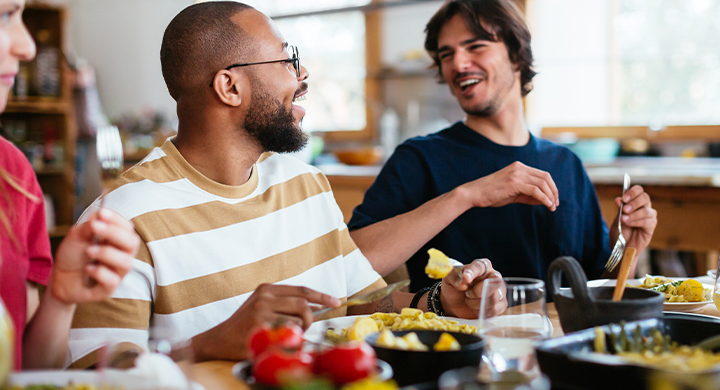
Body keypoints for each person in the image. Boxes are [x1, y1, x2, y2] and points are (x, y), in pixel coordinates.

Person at [67, 1, 506, 369]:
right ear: (229, 86)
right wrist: (205, 345)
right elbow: (91, 374)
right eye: (287, 59)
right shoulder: (123, 218)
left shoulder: (305, 182)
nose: (303, 74)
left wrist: (439, 303)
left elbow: (356, 306)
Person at [348, 0, 658, 292]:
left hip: (557, 343)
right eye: (446, 54)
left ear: (516, 54)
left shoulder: (567, 164)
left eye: (475, 46)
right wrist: (467, 196)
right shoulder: (418, 159)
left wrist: (625, 249)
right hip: (459, 344)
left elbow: (596, 286)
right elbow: (352, 263)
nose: (458, 63)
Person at [0, 0, 140, 370]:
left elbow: (28, 371)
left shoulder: (14, 174)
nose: (27, 46)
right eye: (3, 15)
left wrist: (61, 298)